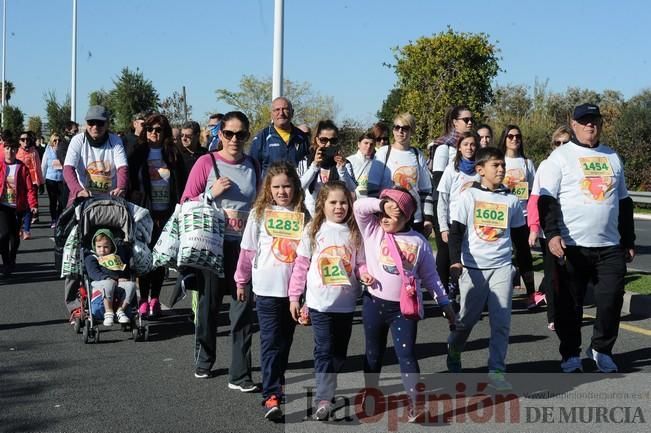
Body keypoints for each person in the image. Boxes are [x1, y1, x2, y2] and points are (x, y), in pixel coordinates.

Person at [538, 103, 635, 373]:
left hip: (609, 245)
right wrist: (552, 235)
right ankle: (570, 353)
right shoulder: (560, 157)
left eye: (594, 120)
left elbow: (624, 201)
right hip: (572, 246)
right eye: (585, 121)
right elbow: (546, 200)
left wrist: (628, 239)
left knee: (611, 298)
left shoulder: (612, 157)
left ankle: (601, 349)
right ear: (574, 124)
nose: (590, 125)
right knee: (570, 304)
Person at [354, 187, 454, 421]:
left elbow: (431, 277)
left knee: (407, 355)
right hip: (374, 304)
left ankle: (415, 404)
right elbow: (358, 207)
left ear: (408, 216)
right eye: (383, 212)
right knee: (373, 354)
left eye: (394, 213)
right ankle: (371, 394)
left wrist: (445, 303)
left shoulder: (418, 241)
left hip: (404, 309)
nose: (386, 219)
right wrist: (382, 206)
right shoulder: (372, 230)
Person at [180, 111, 259, 392]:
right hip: (212, 245)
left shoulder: (254, 166)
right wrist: (210, 193)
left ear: (247, 136)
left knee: (242, 310)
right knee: (209, 307)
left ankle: (240, 374)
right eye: (229, 133)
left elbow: (261, 205)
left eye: (241, 134)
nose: (234, 139)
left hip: (243, 248)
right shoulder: (206, 162)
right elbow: (186, 202)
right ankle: (205, 358)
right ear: (220, 134)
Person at [288, 181, 373, 420]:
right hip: (319, 303)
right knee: (323, 349)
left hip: (345, 304)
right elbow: (301, 265)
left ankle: (328, 384)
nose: (339, 207)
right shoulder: (313, 230)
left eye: (343, 202)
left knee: (339, 353)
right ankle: (323, 398)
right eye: (333, 202)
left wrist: (363, 273)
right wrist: (295, 297)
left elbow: (360, 263)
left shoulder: (355, 232)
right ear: (322, 205)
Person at [447, 146, 530, 391]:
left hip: (502, 268)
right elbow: (455, 233)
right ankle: (454, 348)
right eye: (496, 165)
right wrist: (455, 261)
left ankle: (496, 370)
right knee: (466, 321)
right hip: (473, 269)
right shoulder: (469, 197)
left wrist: (526, 274)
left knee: (501, 322)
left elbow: (520, 240)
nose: (501, 169)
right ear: (480, 170)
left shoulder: (512, 200)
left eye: (503, 165)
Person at [234, 161, 308, 421]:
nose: (282, 191)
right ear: (268, 188)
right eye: (276, 187)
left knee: (285, 341)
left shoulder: (304, 214)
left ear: (295, 187)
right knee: (270, 341)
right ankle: (271, 394)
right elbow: (248, 250)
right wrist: (241, 281)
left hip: (294, 291)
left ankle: (277, 381)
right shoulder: (259, 213)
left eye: (287, 186)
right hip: (266, 287)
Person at [129, 113, 187, 318]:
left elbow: (182, 182)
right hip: (145, 213)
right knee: (145, 257)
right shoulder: (137, 153)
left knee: (161, 257)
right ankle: (143, 299)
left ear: (165, 132)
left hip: (167, 213)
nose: (154, 133)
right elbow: (131, 184)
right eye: (150, 129)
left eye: (158, 129)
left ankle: (155, 298)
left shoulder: (172, 153)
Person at [527, 125, 572, 331]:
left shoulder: (578, 163)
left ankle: (570, 311)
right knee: (552, 273)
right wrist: (535, 227)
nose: (561, 146)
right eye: (558, 143)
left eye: (566, 142)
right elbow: (535, 198)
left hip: (574, 231)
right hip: (551, 230)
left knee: (570, 275)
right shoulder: (546, 165)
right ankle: (553, 315)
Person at [428, 105, 474, 294]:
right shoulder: (444, 147)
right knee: (446, 252)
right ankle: (442, 292)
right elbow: (439, 184)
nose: (470, 122)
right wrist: (441, 220)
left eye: (471, 119)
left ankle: (461, 291)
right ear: (455, 122)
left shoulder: (474, 147)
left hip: (467, 211)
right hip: (445, 208)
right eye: (465, 119)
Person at [368, 113, 433, 236]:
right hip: (389, 218)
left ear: (412, 131)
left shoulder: (417, 155)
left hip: (414, 219)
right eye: (397, 127)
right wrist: (378, 214)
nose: (400, 131)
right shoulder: (383, 153)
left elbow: (426, 190)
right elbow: (372, 189)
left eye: (405, 128)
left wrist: (428, 219)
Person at [497, 124, 540, 308]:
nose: (514, 139)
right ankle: (500, 293)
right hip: (501, 216)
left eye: (518, 137)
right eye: (510, 136)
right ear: (504, 139)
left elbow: (533, 192)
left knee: (524, 256)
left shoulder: (527, 163)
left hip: (521, 216)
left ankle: (531, 294)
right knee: (503, 255)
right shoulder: (498, 161)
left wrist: (534, 222)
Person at [436, 132, 481, 307]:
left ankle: (467, 297)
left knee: (469, 260)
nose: (469, 148)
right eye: (465, 144)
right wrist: (443, 227)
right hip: (454, 223)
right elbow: (442, 200)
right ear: (459, 148)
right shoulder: (451, 169)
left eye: (472, 144)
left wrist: (475, 184)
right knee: (455, 261)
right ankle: (451, 294)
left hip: (474, 223)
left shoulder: (480, 170)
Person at [63, 106, 128, 207]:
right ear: (86, 124)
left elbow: (122, 167)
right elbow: (68, 168)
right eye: (91, 123)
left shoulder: (115, 141)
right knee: (66, 221)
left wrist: (121, 187)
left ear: (107, 124)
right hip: (84, 196)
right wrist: (78, 191)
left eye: (100, 123)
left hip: (110, 199)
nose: (95, 127)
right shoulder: (77, 140)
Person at [297, 120, 356, 216]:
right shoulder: (305, 161)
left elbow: (352, 189)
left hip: (336, 215)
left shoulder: (345, 164)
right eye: (323, 140)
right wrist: (314, 166)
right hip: (311, 215)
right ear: (316, 140)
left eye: (333, 141)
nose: (328, 144)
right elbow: (299, 188)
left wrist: (342, 171)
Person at [83, 228, 136, 327]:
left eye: (106, 247)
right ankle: (108, 312)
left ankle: (120, 310)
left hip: (116, 284)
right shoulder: (92, 258)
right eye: (99, 247)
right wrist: (106, 278)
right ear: (94, 246)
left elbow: (122, 269)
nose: (102, 250)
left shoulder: (116, 258)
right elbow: (93, 273)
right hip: (99, 284)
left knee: (131, 285)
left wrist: (122, 277)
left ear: (112, 246)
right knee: (108, 283)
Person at [0, 139, 37, 276]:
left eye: (13, 149)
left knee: (14, 237)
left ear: (17, 151)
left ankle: (13, 256)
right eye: (7, 148)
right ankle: (6, 263)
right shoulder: (1, 166)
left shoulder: (22, 167)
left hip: (18, 206)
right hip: (2, 206)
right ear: (4, 150)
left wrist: (33, 204)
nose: (10, 151)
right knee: (3, 235)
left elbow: (30, 188)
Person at [249, 97, 310, 175]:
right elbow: (252, 171)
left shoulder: (303, 138)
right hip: (270, 187)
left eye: (285, 109)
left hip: (297, 186)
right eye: (277, 110)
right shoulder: (261, 139)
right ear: (271, 114)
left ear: (292, 112)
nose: (281, 113)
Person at [16, 131, 44, 238]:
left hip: (32, 182)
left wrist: (41, 182)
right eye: (23, 140)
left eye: (27, 139)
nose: (25, 141)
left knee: (30, 206)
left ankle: (26, 230)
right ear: (20, 142)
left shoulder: (34, 152)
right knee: (19, 207)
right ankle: (19, 227)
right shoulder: (17, 153)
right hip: (19, 183)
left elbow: (38, 168)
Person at [40, 133, 66, 228]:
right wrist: (42, 181)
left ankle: (59, 216)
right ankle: (54, 219)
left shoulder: (64, 151)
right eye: (55, 140)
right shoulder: (48, 151)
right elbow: (44, 166)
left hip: (61, 179)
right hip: (50, 179)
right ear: (51, 141)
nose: (57, 142)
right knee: (53, 201)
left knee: (62, 201)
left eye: (59, 140)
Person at [346, 131, 381, 198]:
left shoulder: (377, 163)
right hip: (353, 200)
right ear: (359, 144)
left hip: (371, 201)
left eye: (371, 144)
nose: (368, 146)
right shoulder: (349, 161)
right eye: (366, 143)